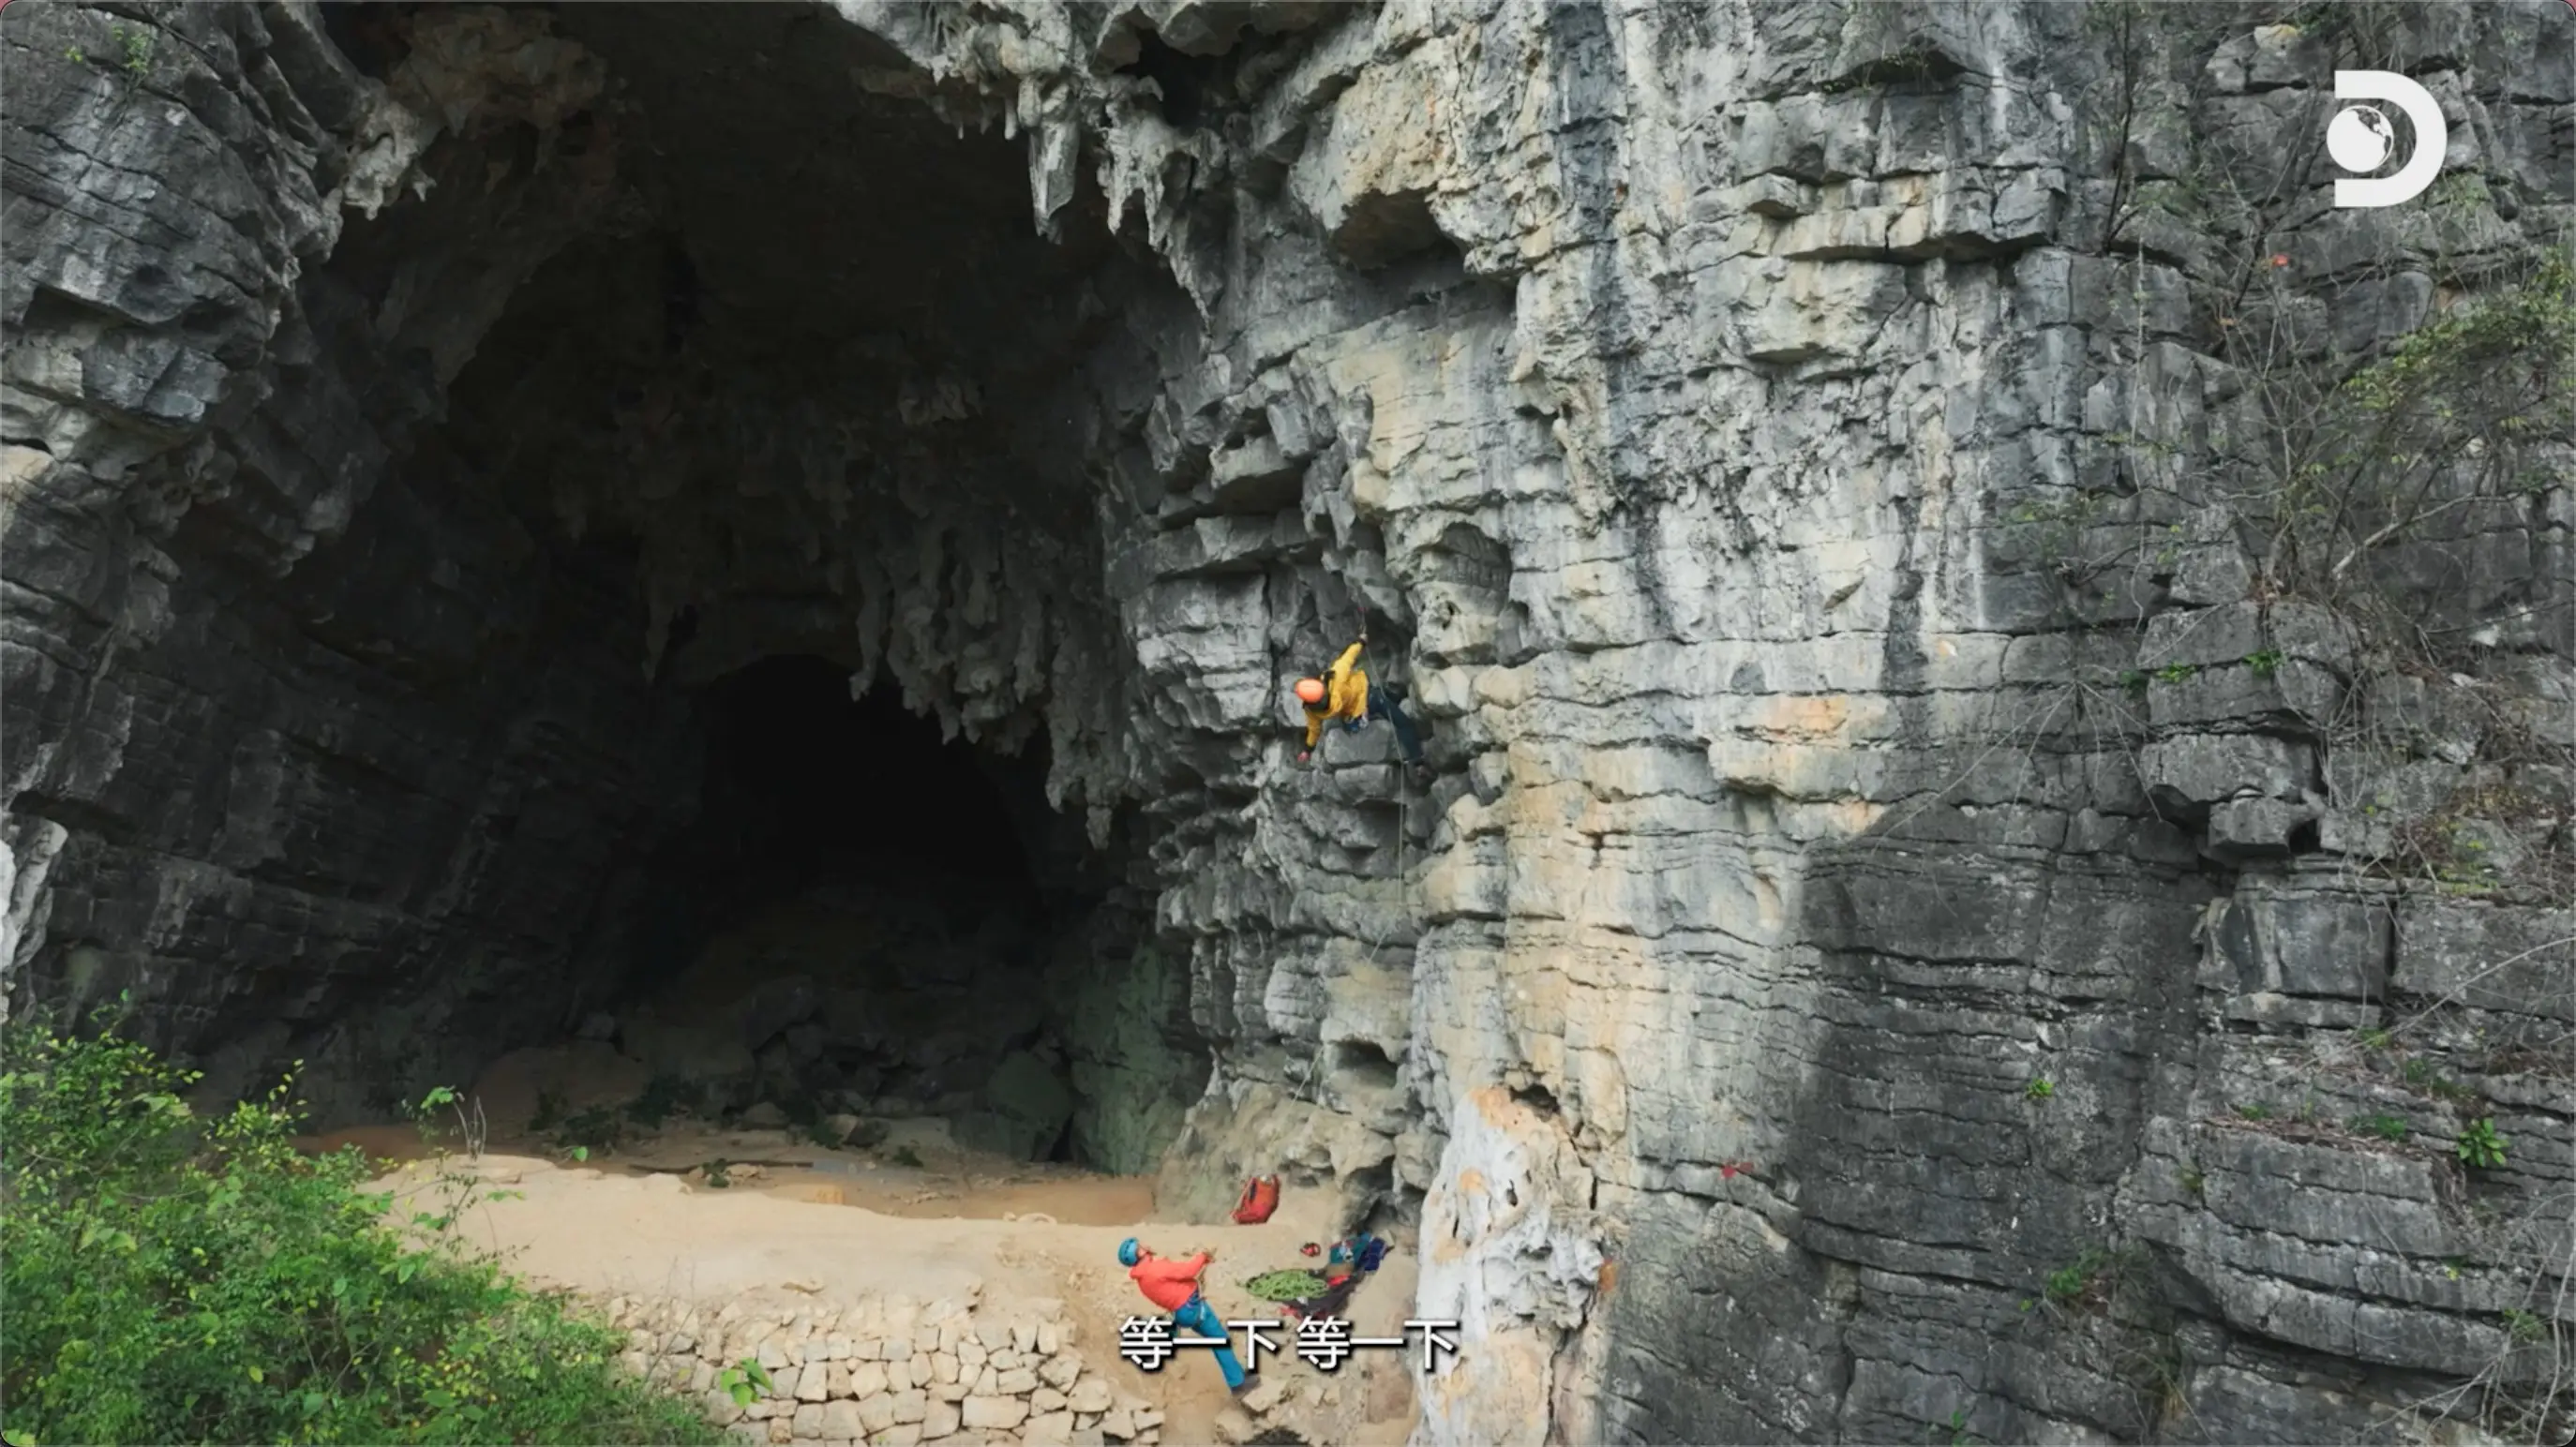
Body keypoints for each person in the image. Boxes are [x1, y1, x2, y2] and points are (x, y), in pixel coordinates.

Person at [1292, 628, 1431, 784]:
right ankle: (1417, 761)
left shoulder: (1313, 711)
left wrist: (1307, 749)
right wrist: (1361, 641)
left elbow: (1314, 729)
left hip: (1354, 716)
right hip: (1369, 698)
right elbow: (1348, 658)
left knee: (1387, 694)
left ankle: (1388, 702)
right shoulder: (1336, 679)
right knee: (1403, 723)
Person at [1119, 1237, 1254, 1396]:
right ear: (1139, 1252)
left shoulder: (1142, 1279)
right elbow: (1187, 1271)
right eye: (1140, 1245)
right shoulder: (1155, 1269)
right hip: (1192, 1307)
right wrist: (1203, 1256)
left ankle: (1238, 1376)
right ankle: (1238, 1384)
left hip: (1184, 1313)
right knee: (1220, 1340)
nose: (1145, 1244)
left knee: (1217, 1340)